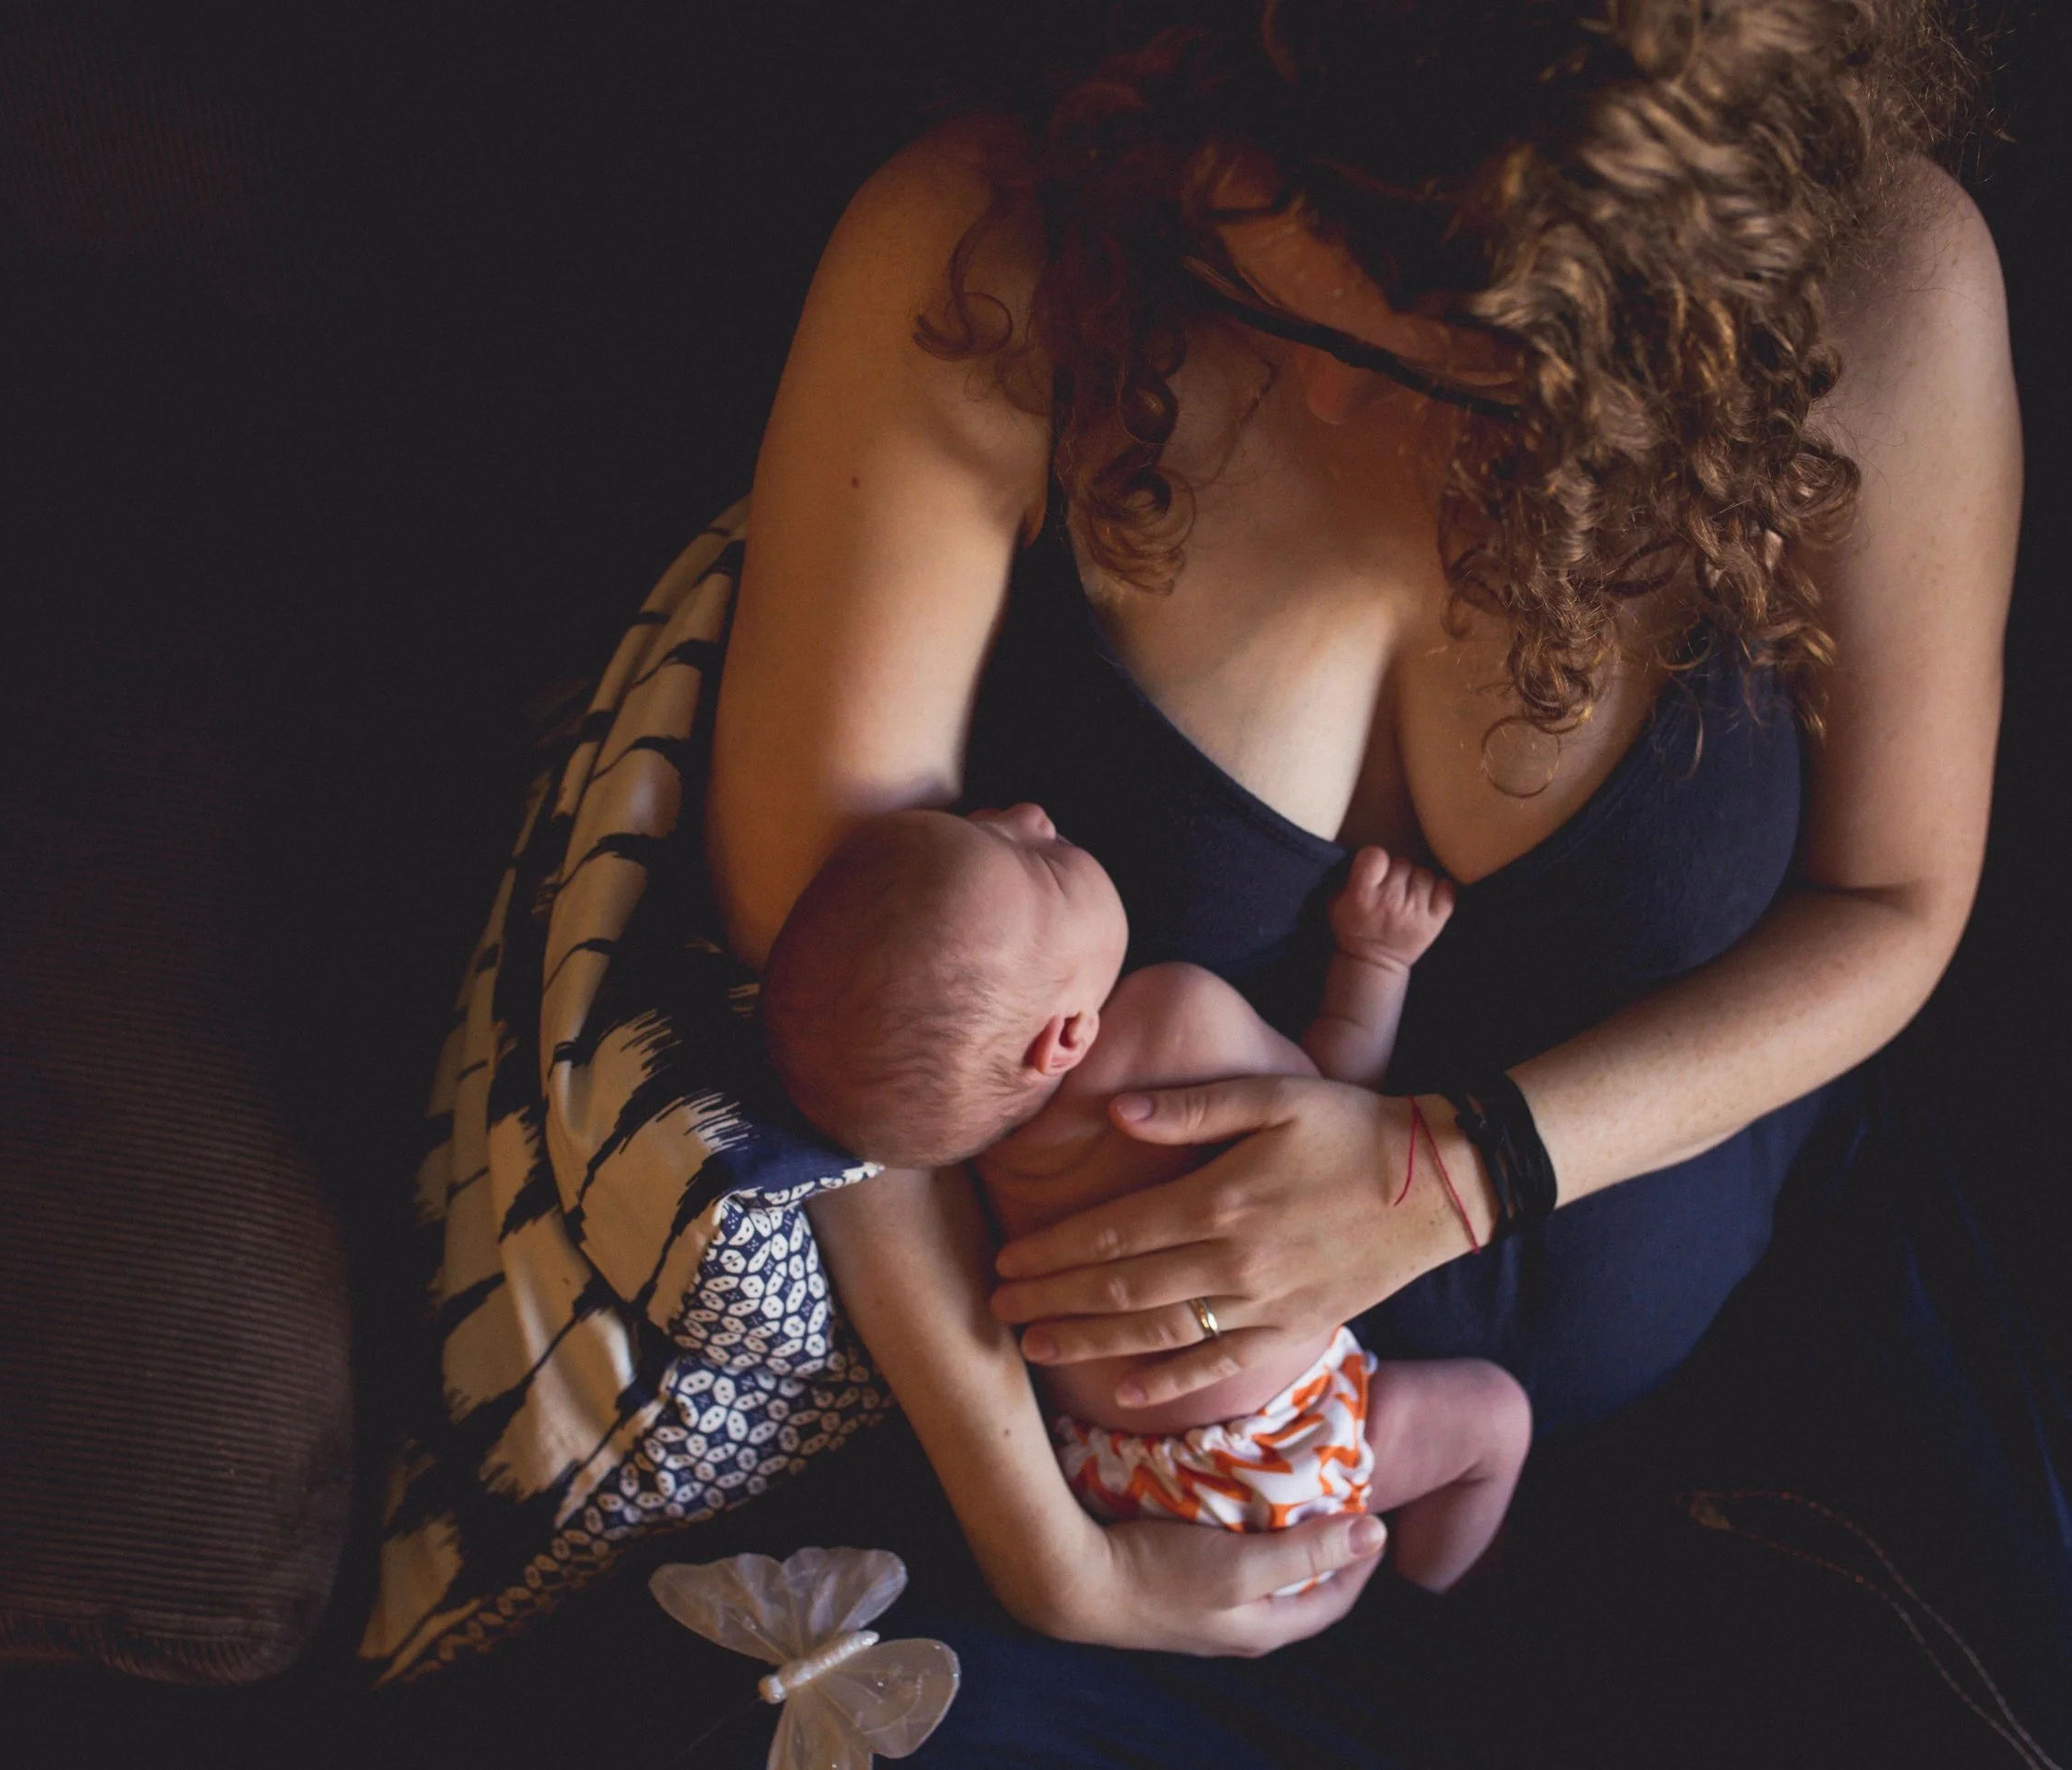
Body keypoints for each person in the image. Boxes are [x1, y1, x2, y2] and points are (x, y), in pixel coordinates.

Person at [706, 0, 2018, 1678]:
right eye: (1257, 280)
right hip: (1082, 1494)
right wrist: (1056, 1550)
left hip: (1714, 1422)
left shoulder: (1880, 294)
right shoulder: (992, 249)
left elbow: (1897, 900)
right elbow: (826, 1032)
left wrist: (1462, 1172)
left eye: (1440, 352)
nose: (1319, 400)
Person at [760, 801, 1527, 1593]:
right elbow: (1332, 1132)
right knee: (1498, 1423)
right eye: (1043, 864)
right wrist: (1375, 963)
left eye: (990, 823)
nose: (1032, 815)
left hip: (1108, 1480)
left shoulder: (967, 1159)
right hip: (1281, 1451)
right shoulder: (1172, 1021)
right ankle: (1434, 1595)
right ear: (1061, 1039)